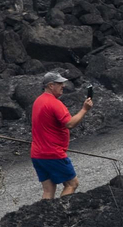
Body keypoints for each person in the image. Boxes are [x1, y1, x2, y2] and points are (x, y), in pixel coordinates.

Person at [30, 70, 93, 200]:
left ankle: (46, 217)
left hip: (37, 154)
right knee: (72, 184)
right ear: (51, 85)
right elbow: (69, 124)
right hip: (53, 153)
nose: (63, 86)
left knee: (48, 190)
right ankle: (62, 214)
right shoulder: (55, 103)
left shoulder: (38, 101)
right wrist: (84, 109)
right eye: (60, 83)